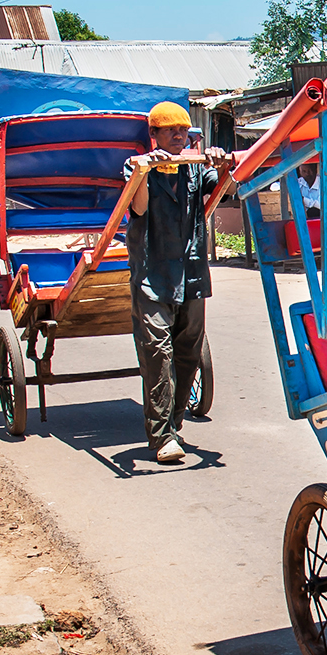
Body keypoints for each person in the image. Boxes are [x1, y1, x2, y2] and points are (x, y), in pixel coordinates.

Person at [124, 101, 235, 463]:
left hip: (191, 275)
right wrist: (144, 171)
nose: (177, 135)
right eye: (169, 130)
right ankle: (160, 437)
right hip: (152, 276)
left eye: (182, 130)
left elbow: (227, 189)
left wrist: (222, 165)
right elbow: (138, 208)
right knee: (158, 351)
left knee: (188, 352)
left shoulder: (194, 167)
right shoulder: (137, 167)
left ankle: (174, 421)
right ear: (153, 134)